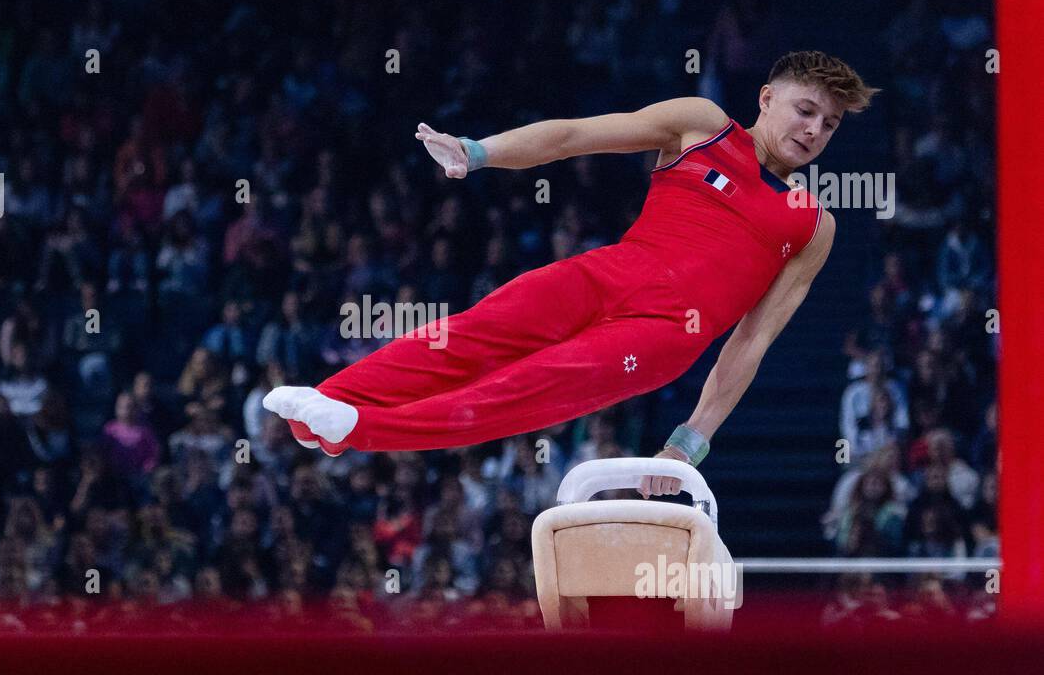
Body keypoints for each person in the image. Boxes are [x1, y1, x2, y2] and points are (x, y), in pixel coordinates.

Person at [263, 51, 878, 499]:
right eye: (806, 111)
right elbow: (575, 137)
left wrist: (690, 442)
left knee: (529, 384)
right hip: (611, 271)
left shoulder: (811, 222)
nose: (813, 132)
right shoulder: (700, 124)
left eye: (829, 125)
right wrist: (480, 153)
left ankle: (363, 429)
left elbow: (752, 340)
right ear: (767, 97)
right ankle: (331, 404)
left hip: (665, 332)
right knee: (473, 332)